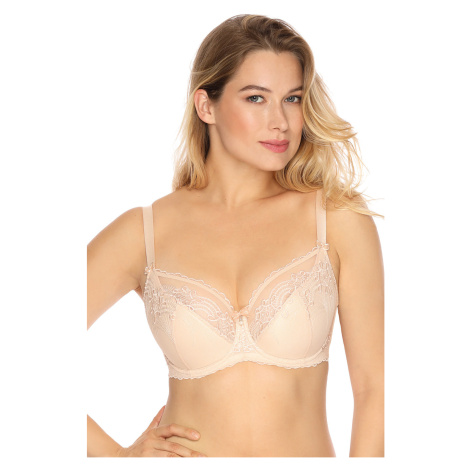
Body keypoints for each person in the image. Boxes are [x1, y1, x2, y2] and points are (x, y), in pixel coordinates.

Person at [87, 14, 384, 457]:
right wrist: (117, 457)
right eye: (256, 98)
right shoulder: (144, 232)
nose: (280, 121)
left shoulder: (336, 219)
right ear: (206, 106)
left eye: (292, 98)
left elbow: (374, 389)